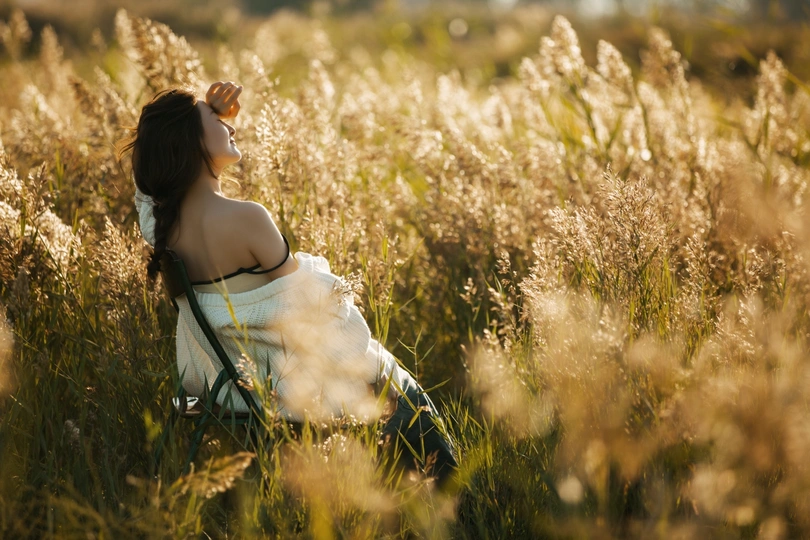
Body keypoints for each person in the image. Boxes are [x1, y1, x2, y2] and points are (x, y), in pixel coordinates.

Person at [122, 82, 457, 484]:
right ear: (189, 140)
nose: (231, 127)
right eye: (215, 119)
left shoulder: (163, 228)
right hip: (280, 390)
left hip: (218, 388)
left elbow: (144, 191)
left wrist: (208, 120)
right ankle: (450, 495)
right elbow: (312, 314)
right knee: (395, 380)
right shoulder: (247, 219)